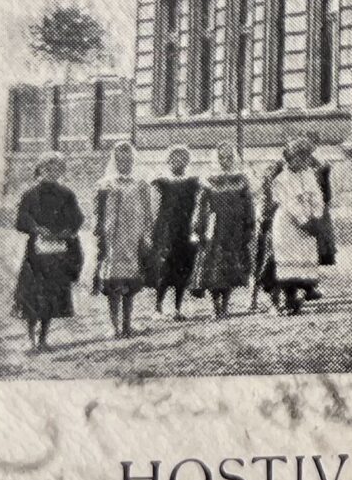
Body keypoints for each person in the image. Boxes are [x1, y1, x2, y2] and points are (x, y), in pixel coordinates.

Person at [11, 154, 83, 352]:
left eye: (56, 168)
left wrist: (66, 231)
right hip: (36, 254)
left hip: (57, 253)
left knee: (51, 295)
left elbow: (76, 218)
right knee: (32, 295)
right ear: (40, 170)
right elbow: (21, 220)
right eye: (47, 168)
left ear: (61, 171)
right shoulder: (30, 194)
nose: (51, 172)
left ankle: (43, 338)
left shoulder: (67, 195)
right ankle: (31, 339)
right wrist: (36, 228)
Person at [90, 141, 155, 339]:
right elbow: (97, 211)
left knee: (130, 282)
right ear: (114, 161)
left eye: (128, 160)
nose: (124, 164)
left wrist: (146, 234)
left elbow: (148, 213)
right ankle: (114, 325)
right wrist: (99, 231)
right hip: (112, 238)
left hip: (133, 237)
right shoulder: (105, 184)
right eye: (120, 160)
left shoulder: (141, 184)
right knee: (114, 282)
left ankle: (127, 324)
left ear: (133, 161)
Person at [191, 145, 257, 318]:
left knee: (230, 268)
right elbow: (201, 205)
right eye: (222, 157)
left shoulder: (240, 180)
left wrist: (249, 225)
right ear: (217, 159)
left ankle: (226, 305)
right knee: (215, 267)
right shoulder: (209, 180)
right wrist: (198, 227)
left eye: (229, 157)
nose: (225, 161)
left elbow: (249, 204)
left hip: (235, 229)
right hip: (216, 228)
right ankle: (216, 306)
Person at [264, 138, 329, 314]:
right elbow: (288, 203)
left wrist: (316, 216)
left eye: (305, 157)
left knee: (304, 258)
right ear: (290, 159)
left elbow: (317, 196)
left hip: (308, 223)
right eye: (298, 158)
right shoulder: (281, 179)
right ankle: (289, 298)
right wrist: (303, 220)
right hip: (288, 224)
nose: (302, 161)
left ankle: (304, 291)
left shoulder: (309, 175)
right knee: (288, 262)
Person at [147, 145, 201, 317]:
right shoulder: (161, 182)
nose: (178, 162)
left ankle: (177, 308)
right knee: (164, 268)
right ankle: (158, 307)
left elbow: (199, 205)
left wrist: (196, 227)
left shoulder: (193, 183)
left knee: (182, 269)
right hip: (166, 230)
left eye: (182, 158)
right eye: (174, 158)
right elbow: (154, 207)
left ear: (187, 161)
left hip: (184, 230)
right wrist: (153, 230)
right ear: (168, 161)